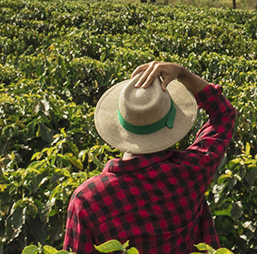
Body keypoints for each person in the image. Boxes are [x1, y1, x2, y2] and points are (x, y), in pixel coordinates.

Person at [64, 61, 237, 254]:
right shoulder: (191, 172)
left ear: (121, 124)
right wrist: (182, 73)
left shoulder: (88, 199)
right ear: (170, 124)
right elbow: (223, 114)